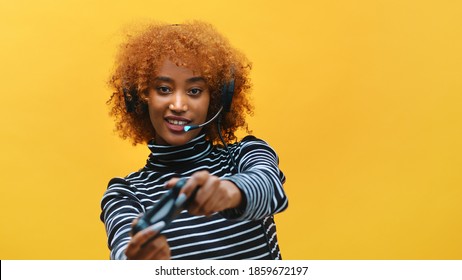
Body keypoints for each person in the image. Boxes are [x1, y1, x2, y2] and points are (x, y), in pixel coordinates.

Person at [100, 21, 288, 260]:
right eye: (164, 89)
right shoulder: (125, 193)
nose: (178, 105)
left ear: (218, 99)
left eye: (195, 91)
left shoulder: (246, 154)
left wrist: (229, 191)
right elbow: (123, 252)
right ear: (139, 97)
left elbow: (270, 188)